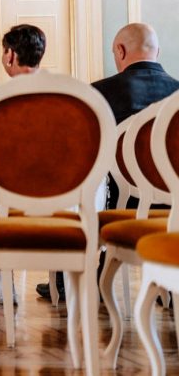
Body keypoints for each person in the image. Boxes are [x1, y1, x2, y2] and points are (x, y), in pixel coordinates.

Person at [36, 23, 179, 301]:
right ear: (158, 52)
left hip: (120, 204)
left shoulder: (97, 94)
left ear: (120, 50)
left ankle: (74, 279)